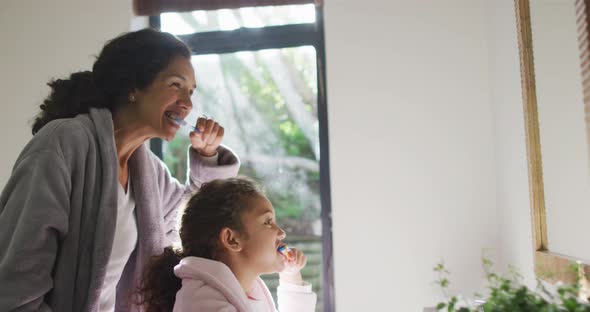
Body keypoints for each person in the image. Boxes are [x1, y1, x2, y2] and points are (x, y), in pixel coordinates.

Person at [0, 29, 240, 312]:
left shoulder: (148, 172)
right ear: (133, 88)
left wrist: (207, 157)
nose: (187, 104)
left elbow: (194, 222)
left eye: (190, 92)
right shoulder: (63, 144)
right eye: (176, 85)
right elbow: (16, 288)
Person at [137, 177, 317, 312]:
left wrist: (291, 276)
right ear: (232, 239)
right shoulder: (206, 306)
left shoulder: (240, 292)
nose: (281, 232)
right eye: (267, 221)